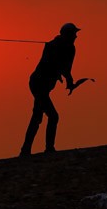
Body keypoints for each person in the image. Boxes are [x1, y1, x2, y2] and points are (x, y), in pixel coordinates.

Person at [20, 22, 85, 157]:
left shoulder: (71, 49)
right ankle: (46, 149)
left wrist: (69, 80)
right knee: (52, 116)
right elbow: (52, 64)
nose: (75, 37)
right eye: (74, 34)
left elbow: (67, 68)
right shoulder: (51, 46)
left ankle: (27, 150)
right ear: (67, 35)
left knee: (38, 116)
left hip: (45, 86)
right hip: (38, 84)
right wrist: (65, 76)